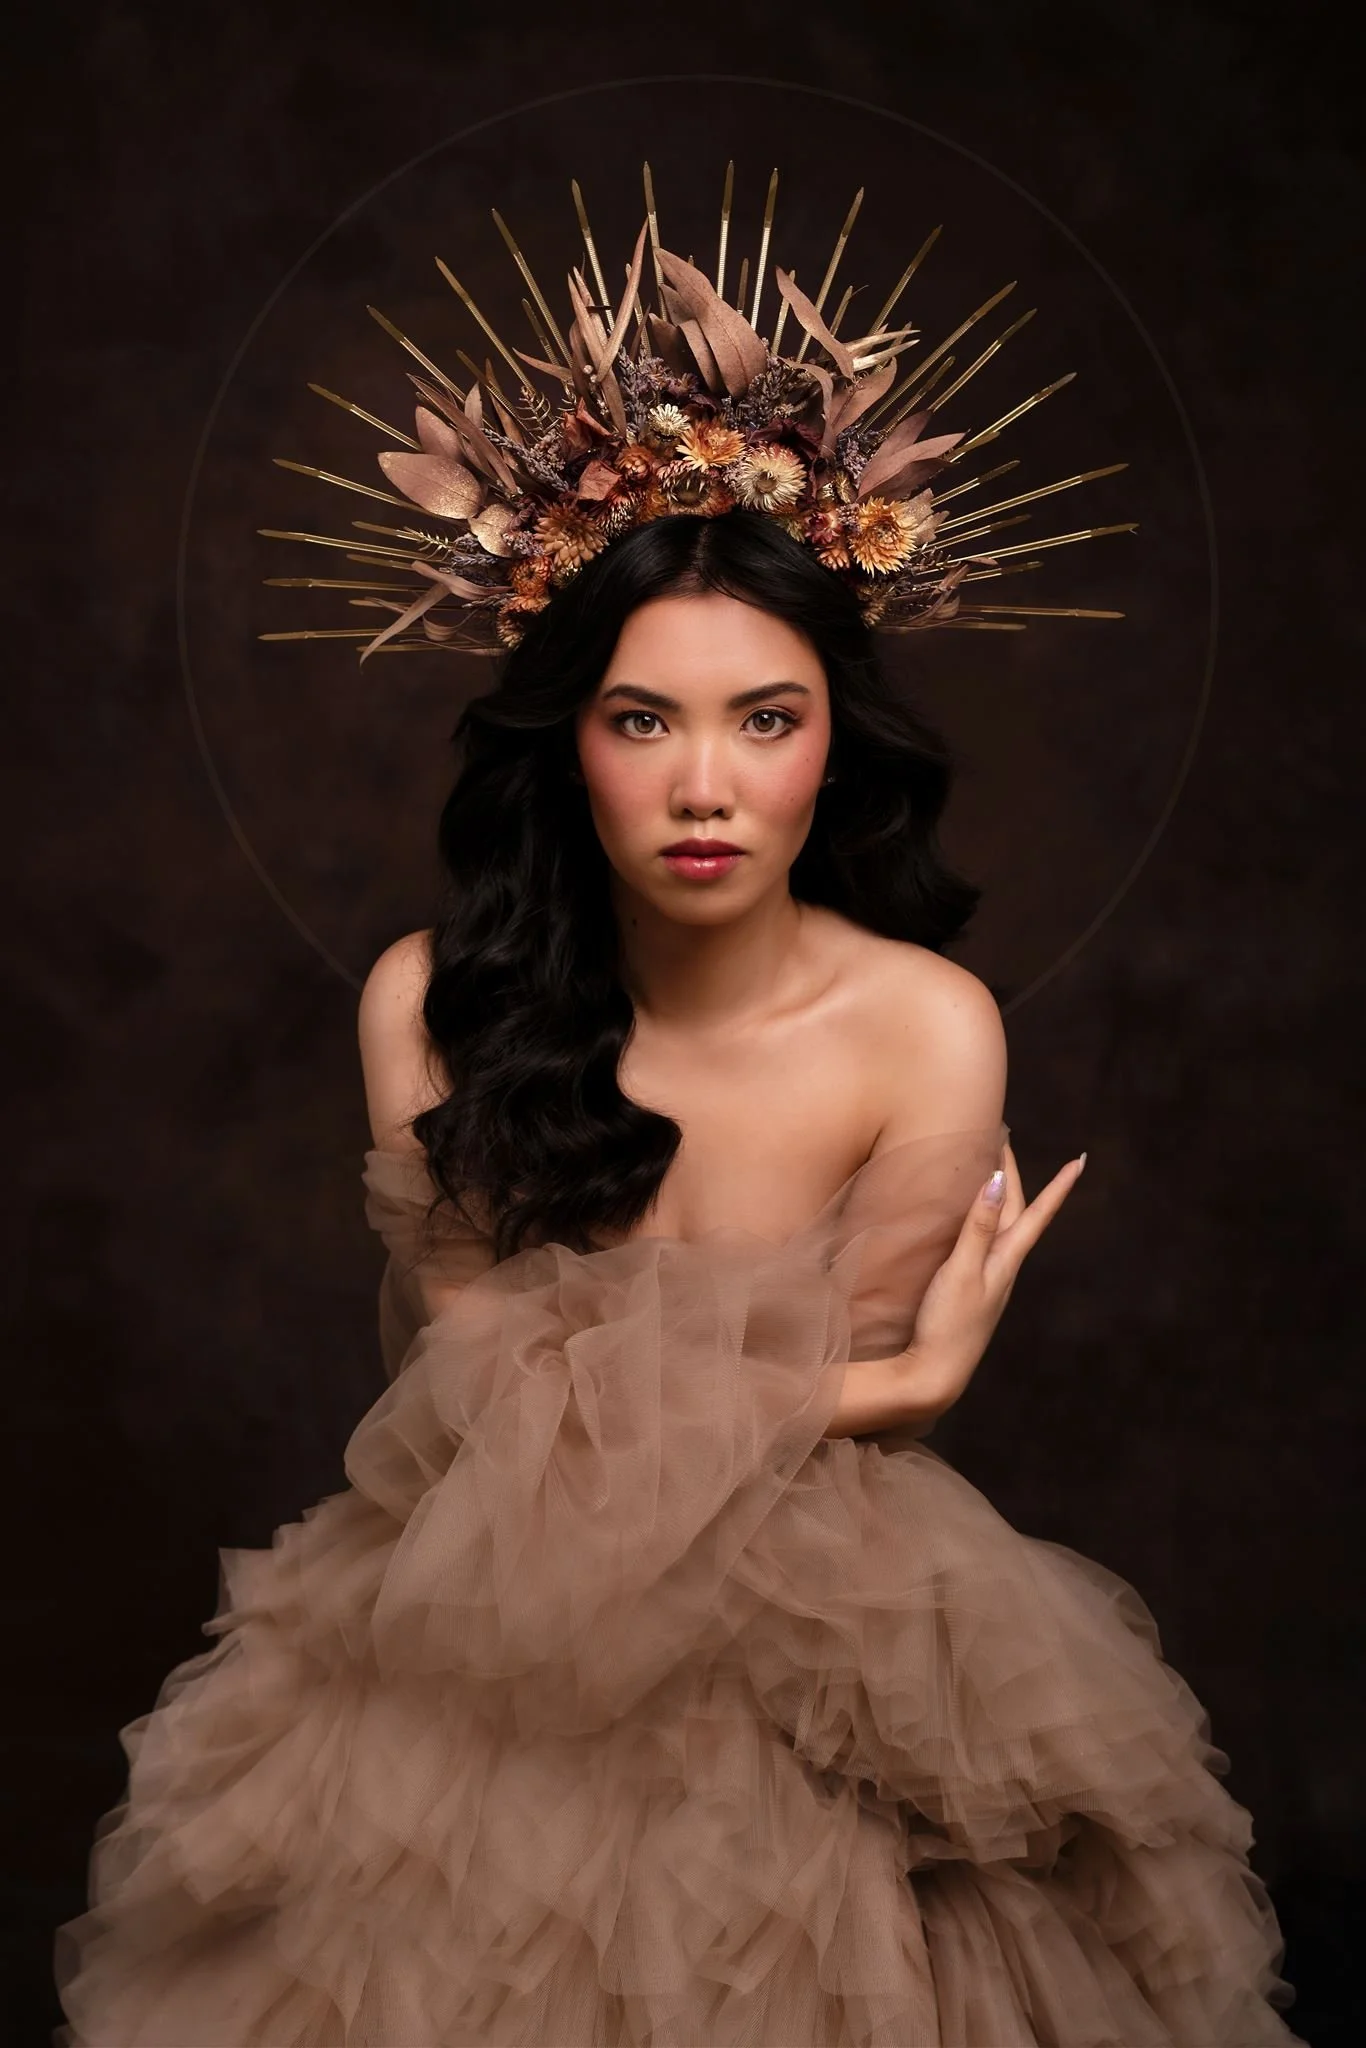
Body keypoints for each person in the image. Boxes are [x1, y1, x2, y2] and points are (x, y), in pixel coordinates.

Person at [54, 508, 1300, 2046]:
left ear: (836, 744)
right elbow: (487, 1388)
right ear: (566, 743)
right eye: (640, 720)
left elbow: (584, 1392)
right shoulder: (432, 1003)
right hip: (490, 1633)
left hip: (847, 1659)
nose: (701, 786)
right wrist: (901, 1383)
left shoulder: (927, 1024)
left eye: (764, 720)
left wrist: (845, 1396)